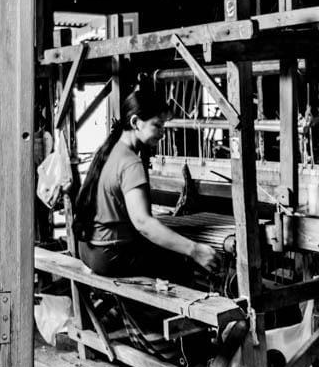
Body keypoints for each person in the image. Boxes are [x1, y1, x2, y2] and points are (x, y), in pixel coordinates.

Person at [73, 85, 218, 279]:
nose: (162, 133)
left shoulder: (111, 151)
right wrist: (194, 250)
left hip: (88, 249)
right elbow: (143, 222)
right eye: (157, 126)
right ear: (136, 122)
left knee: (166, 248)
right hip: (109, 256)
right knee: (183, 262)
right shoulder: (131, 163)